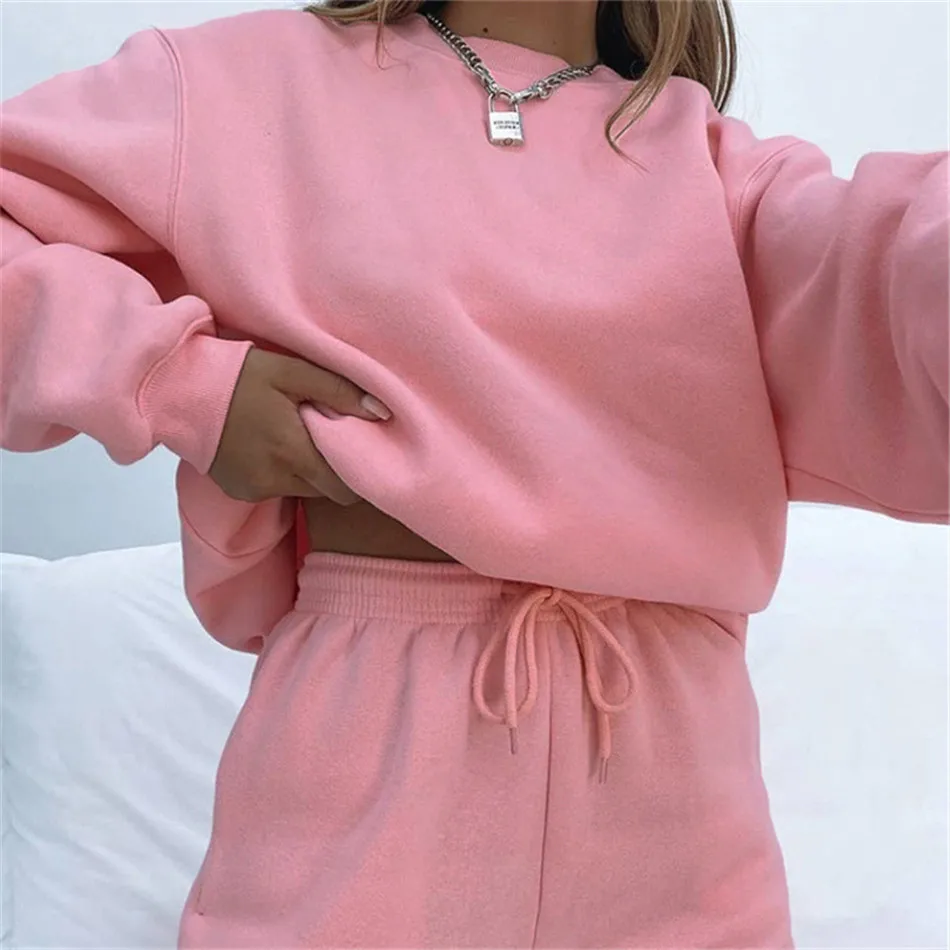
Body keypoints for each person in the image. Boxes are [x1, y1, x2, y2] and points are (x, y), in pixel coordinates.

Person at [1, 0, 946, 945]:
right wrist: (179, 382)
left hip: (678, 798)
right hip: (369, 760)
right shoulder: (242, 87)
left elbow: (894, 267)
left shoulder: (723, 175)